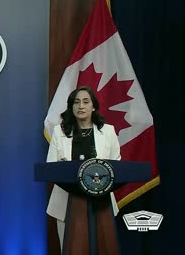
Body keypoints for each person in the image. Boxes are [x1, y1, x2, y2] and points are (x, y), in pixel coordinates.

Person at [45, 86, 121, 249]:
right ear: (71, 107)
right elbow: (50, 167)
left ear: (93, 106)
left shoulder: (108, 131)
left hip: (101, 203)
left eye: (86, 102)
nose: (81, 106)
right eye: (76, 102)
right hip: (67, 203)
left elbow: (117, 166)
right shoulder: (60, 132)